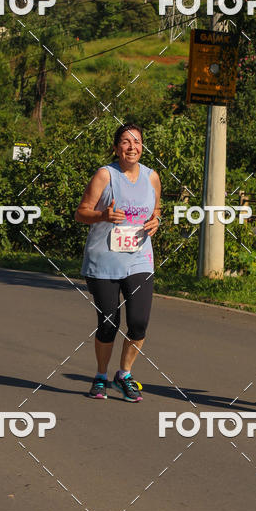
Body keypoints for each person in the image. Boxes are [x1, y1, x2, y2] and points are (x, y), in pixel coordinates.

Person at [75, 123, 161, 401]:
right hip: (104, 261)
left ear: (142, 147)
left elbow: (156, 209)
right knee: (109, 322)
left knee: (138, 323)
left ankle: (124, 374)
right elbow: (81, 213)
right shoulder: (105, 175)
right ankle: (100, 376)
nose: (131, 147)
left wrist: (156, 220)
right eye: (125, 142)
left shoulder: (152, 177)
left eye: (137, 142)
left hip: (139, 259)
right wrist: (102, 216)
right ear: (116, 147)